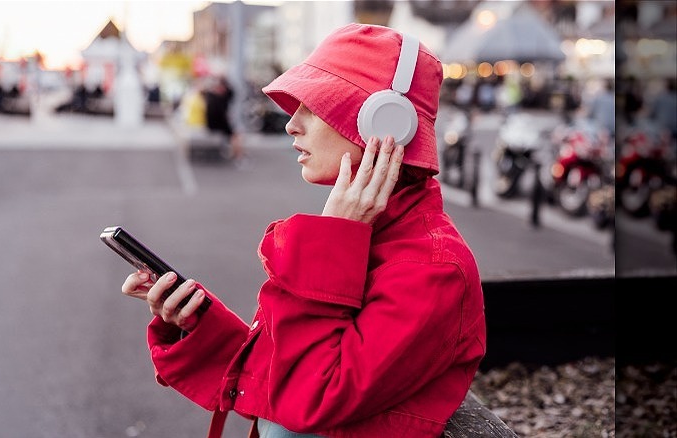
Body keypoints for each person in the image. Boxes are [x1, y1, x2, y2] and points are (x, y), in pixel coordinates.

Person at [121, 23, 486, 438]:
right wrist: (196, 324)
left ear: (386, 123)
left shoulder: (433, 270)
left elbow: (308, 395)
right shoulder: (371, 233)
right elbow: (288, 369)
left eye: (312, 106)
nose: (291, 125)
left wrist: (333, 238)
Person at [202, 75, 246, 163]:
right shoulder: (215, 99)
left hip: (216, 124)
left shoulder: (216, 96)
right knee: (236, 135)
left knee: (236, 134)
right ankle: (238, 156)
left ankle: (236, 154)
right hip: (215, 125)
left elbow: (232, 93)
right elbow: (220, 117)